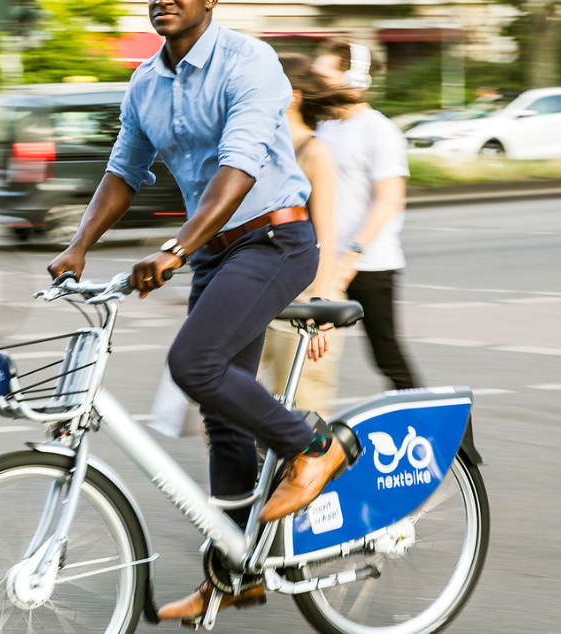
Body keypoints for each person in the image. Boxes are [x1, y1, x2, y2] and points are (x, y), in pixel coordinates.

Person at [44, 0, 350, 621]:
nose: (163, 0)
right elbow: (122, 171)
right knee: (222, 416)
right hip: (215, 251)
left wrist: (174, 249)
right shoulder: (145, 82)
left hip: (274, 239)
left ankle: (313, 446)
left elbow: (238, 167)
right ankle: (236, 574)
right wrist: (78, 246)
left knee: (194, 363)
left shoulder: (249, 62)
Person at [312, 39, 422, 391]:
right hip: (326, 259)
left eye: (322, 75)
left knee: (385, 354)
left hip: (370, 264)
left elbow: (389, 200)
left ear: (354, 76)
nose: (316, 83)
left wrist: (352, 256)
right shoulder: (324, 127)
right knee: (300, 347)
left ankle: (429, 429)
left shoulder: (379, 129)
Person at [256, 54, 361, 417]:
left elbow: (327, 237)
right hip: (253, 287)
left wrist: (320, 302)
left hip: (303, 293)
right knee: (222, 415)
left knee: (302, 416)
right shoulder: (253, 147)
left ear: (292, 96)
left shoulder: (314, 151)